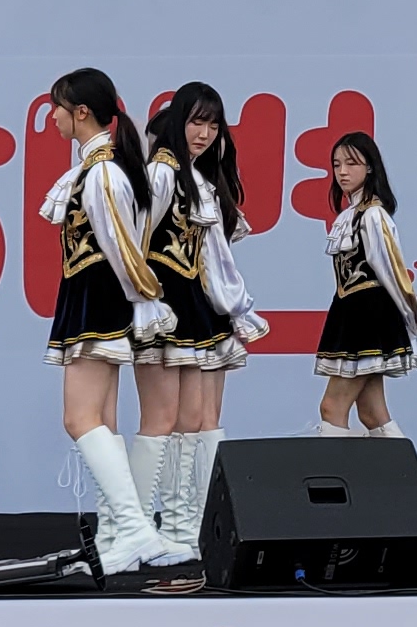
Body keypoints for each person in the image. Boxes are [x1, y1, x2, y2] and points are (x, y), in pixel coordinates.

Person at [41, 65, 203, 582]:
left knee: (79, 418)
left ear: (80, 112)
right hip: (94, 297)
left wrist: (144, 297)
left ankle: (132, 528)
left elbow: (123, 246)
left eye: (57, 108)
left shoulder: (103, 172)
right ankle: (115, 536)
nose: (52, 117)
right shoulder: (100, 168)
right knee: (101, 422)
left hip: (98, 300)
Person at [137, 83, 268, 551]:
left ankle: (184, 527)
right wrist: (142, 300)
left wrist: (234, 307)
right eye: (197, 122)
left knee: (193, 419)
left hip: (196, 305)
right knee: (164, 420)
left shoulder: (197, 178)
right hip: (164, 303)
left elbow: (214, 258)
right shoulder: (161, 172)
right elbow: (132, 241)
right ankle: (140, 528)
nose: (205, 133)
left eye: (213, 125)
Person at [315, 130, 417, 433]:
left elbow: (392, 271)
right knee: (372, 413)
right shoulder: (350, 215)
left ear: (369, 167)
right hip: (351, 311)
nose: (342, 171)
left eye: (351, 163)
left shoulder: (373, 215)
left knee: (332, 407)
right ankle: (398, 464)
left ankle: (333, 465)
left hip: (367, 314)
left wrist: (413, 314)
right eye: (336, 164)